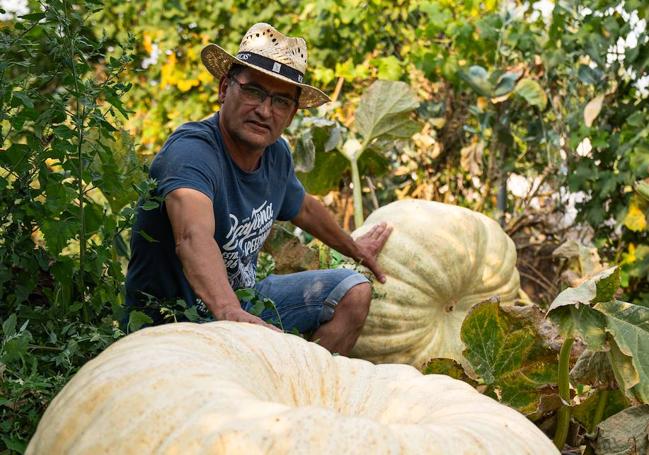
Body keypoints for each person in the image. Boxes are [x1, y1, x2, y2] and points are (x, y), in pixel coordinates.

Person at [125, 23, 392, 355]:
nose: (265, 111)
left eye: (281, 101)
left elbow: (304, 208)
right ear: (225, 88)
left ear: (293, 113)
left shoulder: (275, 154)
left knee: (353, 292)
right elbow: (192, 236)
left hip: (242, 303)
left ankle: (301, 390)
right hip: (176, 324)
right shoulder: (191, 152)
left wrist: (354, 248)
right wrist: (230, 313)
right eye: (253, 91)